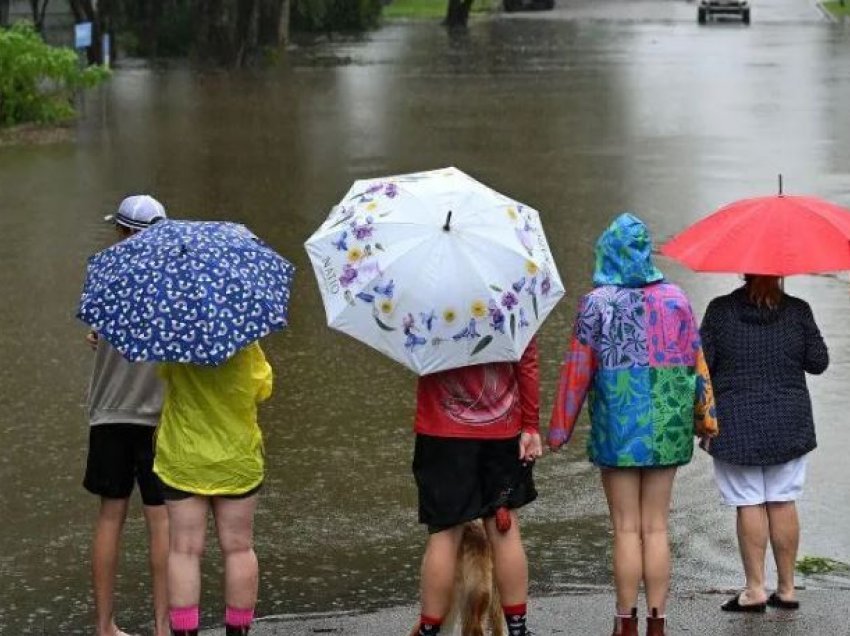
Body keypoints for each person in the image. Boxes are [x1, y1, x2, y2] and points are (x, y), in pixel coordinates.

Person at [547, 213, 718, 636]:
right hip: (667, 423)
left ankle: (625, 624)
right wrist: (706, 418)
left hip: (617, 427)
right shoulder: (677, 298)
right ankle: (658, 623)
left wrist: (558, 430)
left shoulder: (596, 304)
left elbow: (577, 372)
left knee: (625, 527)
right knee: (657, 526)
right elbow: (698, 364)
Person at [700, 274, 828, 613]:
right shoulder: (798, 311)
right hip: (789, 422)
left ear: (743, 270)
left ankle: (755, 589)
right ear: (781, 271)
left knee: (749, 502)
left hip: (735, 422)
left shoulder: (720, 311)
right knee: (783, 500)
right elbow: (819, 362)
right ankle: (786, 589)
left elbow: (702, 366)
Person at [411, 337, 542, 636]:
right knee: (504, 529)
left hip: (441, 431)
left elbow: (414, 353)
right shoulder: (513, 293)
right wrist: (531, 424)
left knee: (444, 535)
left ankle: (429, 630)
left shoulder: (425, 296)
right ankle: (518, 629)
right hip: (501, 428)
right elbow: (527, 360)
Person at [83, 194, 170, 636]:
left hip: (108, 413)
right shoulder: (175, 281)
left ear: (121, 232)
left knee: (109, 517)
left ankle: (105, 626)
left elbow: (96, 331)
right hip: (159, 418)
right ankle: (161, 627)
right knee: (161, 522)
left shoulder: (102, 271)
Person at [154, 341, 273, 636]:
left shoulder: (176, 337)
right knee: (239, 547)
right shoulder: (245, 340)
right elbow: (263, 387)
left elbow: (165, 375)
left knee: (184, 550)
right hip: (236, 457)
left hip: (184, 456)